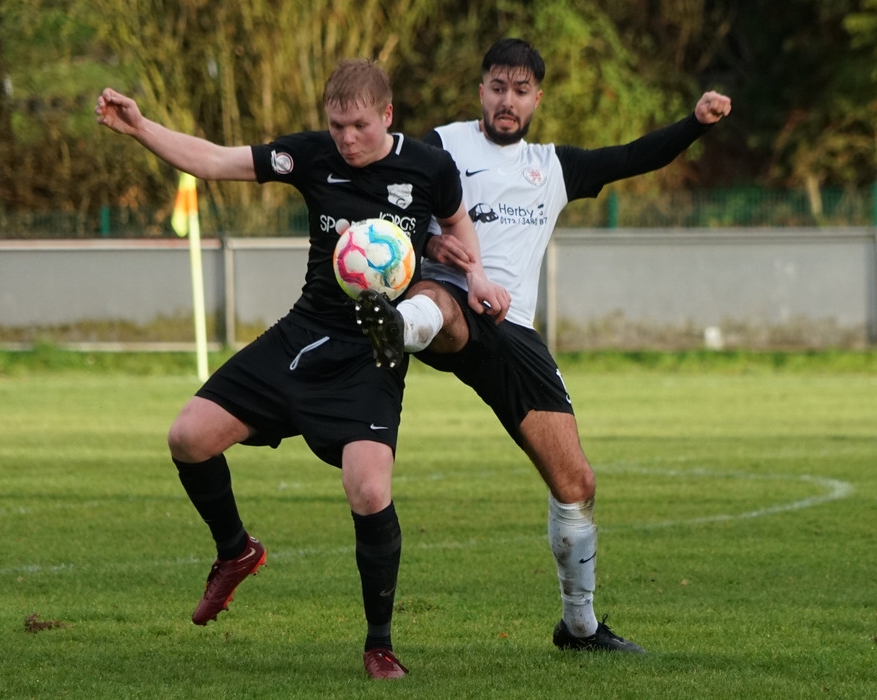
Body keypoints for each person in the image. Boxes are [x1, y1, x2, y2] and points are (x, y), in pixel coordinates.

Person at [95, 58, 508, 679]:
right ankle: (236, 551)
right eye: (337, 126)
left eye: (359, 126)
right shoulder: (312, 155)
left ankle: (379, 645)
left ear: (387, 115)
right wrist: (141, 127)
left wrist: (474, 276)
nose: (347, 139)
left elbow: (456, 226)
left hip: (373, 352)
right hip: (304, 332)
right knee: (188, 437)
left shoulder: (430, 167)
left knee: (369, 490)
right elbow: (216, 161)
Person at [360, 38, 732, 652]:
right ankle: (395, 329)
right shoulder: (442, 145)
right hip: (446, 298)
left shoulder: (553, 167)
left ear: (537, 98)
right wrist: (429, 245)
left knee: (576, 482)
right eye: (497, 88)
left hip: (512, 330)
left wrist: (695, 123)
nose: (507, 101)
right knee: (443, 307)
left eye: (521, 90)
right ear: (481, 91)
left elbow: (632, 157)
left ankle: (579, 627)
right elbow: (393, 209)